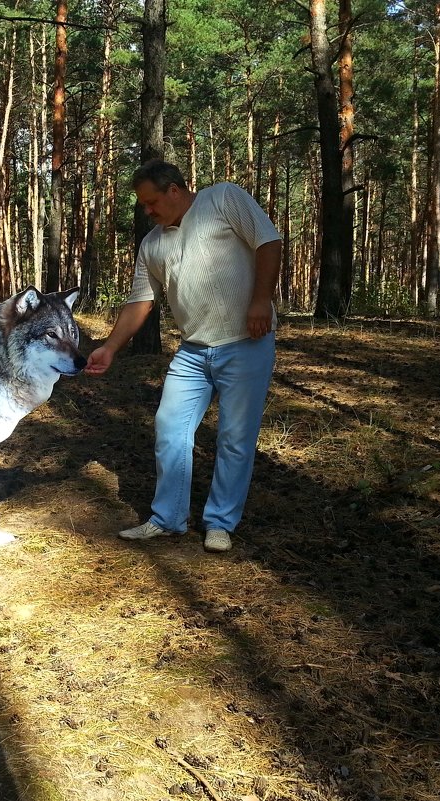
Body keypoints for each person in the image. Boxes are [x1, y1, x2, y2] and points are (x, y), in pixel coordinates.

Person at [85, 159, 281, 553]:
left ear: (174, 189)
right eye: (143, 205)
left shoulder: (224, 198)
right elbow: (141, 300)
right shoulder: (153, 243)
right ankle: (168, 518)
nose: (148, 211)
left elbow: (268, 242)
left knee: (234, 438)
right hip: (192, 351)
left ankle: (220, 523)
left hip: (245, 342)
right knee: (170, 428)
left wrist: (261, 300)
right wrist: (109, 346)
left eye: (151, 202)